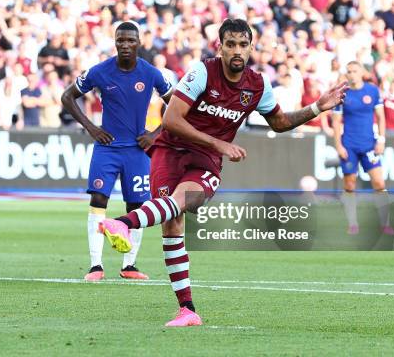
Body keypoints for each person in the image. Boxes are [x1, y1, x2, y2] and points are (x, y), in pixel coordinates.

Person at [97, 19, 347, 326]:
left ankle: (123, 223)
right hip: (170, 151)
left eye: (243, 44)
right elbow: (172, 118)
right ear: (221, 47)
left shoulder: (257, 86)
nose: (237, 51)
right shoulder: (203, 72)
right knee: (172, 226)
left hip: (205, 161)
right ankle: (187, 310)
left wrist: (316, 108)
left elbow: (279, 123)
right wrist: (220, 142)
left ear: (251, 48)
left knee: (182, 200)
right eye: (231, 44)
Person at [61, 22, 173, 282]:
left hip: (136, 151)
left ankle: (129, 265)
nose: (125, 45)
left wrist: (155, 134)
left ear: (139, 43)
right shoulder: (100, 71)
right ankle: (95, 266)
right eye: (120, 40)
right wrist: (91, 127)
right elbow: (68, 96)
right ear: (115, 42)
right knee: (98, 199)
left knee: (137, 205)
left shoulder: (151, 73)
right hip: (107, 148)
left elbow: (176, 102)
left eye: (130, 41)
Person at [332, 61, 394, 236]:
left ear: (361, 73)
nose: (351, 74)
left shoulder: (372, 91)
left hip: (369, 145)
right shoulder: (342, 93)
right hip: (349, 145)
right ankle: (353, 224)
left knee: (379, 183)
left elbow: (381, 117)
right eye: (349, 71)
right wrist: (338, 144)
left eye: (354, 71)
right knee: (350, 185)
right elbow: (336, 122)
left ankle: (385, 223)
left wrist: (381, 140)